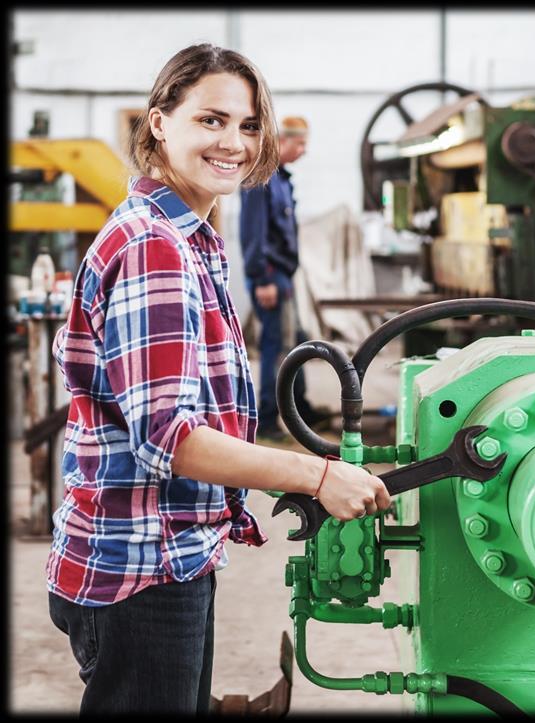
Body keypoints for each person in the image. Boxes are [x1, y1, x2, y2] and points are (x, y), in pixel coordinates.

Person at [46, 44, 390, 715]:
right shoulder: (155, 246)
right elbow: (174, 439)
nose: (233, 142)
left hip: (164, 550)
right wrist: (319, 475)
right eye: (211, 120)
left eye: (249, 124)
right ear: (158, 123)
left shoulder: (186, 235)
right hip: (142, 567)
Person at [240, 115, 325, 441]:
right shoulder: (260, 180)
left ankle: (300, 408)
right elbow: (253, 234)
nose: (303, 151)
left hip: (282, 277)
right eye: (300, 144)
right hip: (270, 278)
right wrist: (262, 279)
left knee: (297, 341)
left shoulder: (280, 179)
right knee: (277, 348)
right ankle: (267, 418)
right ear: (282, 141)